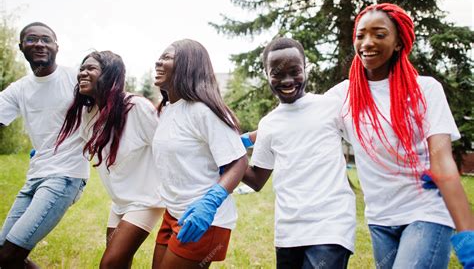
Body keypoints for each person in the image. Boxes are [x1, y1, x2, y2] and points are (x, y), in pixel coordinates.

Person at [326, 3, 474, 268]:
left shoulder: (425, 89)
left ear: (398, 43)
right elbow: (296, 122)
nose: (367, 42)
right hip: (380, 219)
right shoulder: (344, 95)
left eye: (379, 34)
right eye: (361, 35)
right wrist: (241, 141)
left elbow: (443, 161)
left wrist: (467, 235)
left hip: (426, 211)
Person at [241, 37, 356, 269]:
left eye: (295, 71)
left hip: (331, 225)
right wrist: (228, 152)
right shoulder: (269, 124)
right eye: (277, 73)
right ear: (266, 75)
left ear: (306, 69)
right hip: (288, 230)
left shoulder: (330, 106)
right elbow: (255, 180)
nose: (287, 80)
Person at [56, 50, 165, 268]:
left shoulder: (136, 107)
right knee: (119, 263)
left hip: (147, 199)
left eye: (91, 68)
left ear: (109, 75)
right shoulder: (89, 112)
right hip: (120, 201)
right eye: (82, 68)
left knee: (109, 264)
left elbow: (166, 146)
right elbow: (78, 145)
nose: (83, 73)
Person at [151, 39, 248, 269]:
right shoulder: (166, 109)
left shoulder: (202, 111)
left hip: (204, 218)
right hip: (174, 212)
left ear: (187, 65)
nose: (158, 61)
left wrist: (209, 204)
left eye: (167, 57)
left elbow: (239, 161)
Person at [0, 22, 89, 268]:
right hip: (35, 175)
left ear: (56, 46)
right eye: (31, 39)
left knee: (9, 255)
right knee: (4, 253)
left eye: (46, 39)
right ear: (21, 47)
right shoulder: (19, 89)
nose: (39, 43)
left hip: (65, 176)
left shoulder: (75, 78)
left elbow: (108, 106)